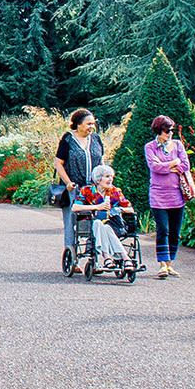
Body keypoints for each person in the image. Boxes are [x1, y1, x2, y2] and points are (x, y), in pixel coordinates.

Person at [142, 115, 192, 279]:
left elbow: (185, 165)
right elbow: (154, 167)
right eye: (166, 131)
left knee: (175, 232)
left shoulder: (178, 145)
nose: (170, 133)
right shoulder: (150, 147)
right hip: (158, 195)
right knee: (163, 229)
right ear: (158, 131)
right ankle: (162, 264)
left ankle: (169, 264)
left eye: (171, 130)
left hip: (177, 194)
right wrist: (173, 163)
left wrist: (168, 165)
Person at [52, 108, 104, 257]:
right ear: (78, 125)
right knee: (72, 222)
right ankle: (71, 254)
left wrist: (103, 179)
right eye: (88, 124)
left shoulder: (96, 139)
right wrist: (68, 182)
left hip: (93, 188)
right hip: (74, 188)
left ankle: (92, 254)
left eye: (93, 124)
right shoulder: (68, 139)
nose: (91, 127)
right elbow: (58, 163)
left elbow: (101, 160)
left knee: (95, 219)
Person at [75, 165, 136, 269]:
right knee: (98, 223)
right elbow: (75, 207)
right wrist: (97, 207)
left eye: (111, 177)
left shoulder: (115, 191)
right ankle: (125, 258)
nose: (110, 179)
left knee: (106, 227)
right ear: (98, 179)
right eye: (107, 176)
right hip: (90, 225)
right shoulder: (87, 191)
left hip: (112, 225)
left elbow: (130, 209)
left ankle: (108, 257)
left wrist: (119, 209)